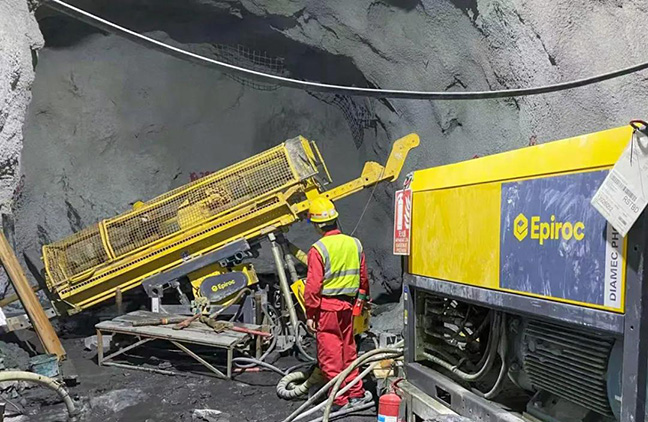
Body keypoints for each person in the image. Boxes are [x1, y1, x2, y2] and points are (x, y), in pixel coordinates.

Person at [303, 197, 370, 411]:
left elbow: (313, 287)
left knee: (330, 356)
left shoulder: (318, 249)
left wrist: (311, 314)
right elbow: (363, 279)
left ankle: (339, 400)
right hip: (348, 308)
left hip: (327, 310)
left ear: (316, 225)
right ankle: (356, 393)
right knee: (349, 352)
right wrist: (362, 302)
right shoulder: (354, 244)